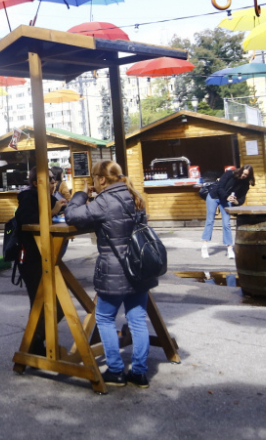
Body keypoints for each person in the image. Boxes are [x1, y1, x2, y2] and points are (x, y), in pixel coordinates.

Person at [64, 160, 157, 389]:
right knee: (137, 320)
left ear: (102, 179)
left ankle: (115, 371)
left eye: (95, 178)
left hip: (114, 272)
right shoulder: (135, 196)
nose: (94, 183)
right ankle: (139, 373)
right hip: (140, 270)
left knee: (105, 318)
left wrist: (80, 194)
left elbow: (71, 216)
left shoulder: (104, 201)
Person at [14, 168, 68, 355]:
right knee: (45, 305)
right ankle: (33, 345)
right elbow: (27, 221)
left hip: (46, 258)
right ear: (37, 183)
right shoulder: (28, 197)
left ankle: (34, 346)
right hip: (31, 259)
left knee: (51, 306)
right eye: (51, 180)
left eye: (55, 179)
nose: (54, 183)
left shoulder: (50, 197)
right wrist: (54, 211)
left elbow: (66, 210)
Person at [202, 165, 255, 259]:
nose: (243, 175)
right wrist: (227, 196)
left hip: (226, 200)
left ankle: (229, 248)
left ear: (249, 176)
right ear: (240, 170)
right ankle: (204, 246)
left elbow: (242, 197)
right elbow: (219, 187)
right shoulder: (229, 174)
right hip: (214, 196)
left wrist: (237, 202)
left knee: (227, 223)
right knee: (210, 220)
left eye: (246, 175)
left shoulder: (245, 183)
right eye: (243, 173)